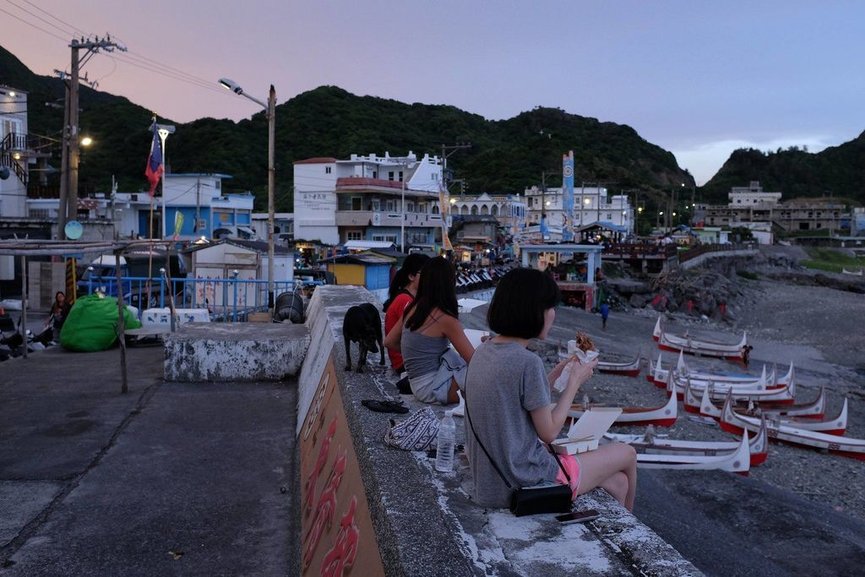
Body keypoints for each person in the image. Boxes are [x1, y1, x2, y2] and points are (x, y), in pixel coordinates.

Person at [464, 268, 637, 511]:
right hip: (525, 480)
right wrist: (574, 382)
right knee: (627, 453)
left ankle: (624, 523)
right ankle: (630, 537)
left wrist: (555, 375)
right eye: (550, 308)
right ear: (534, 311)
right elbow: (549, 433)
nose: (553, 315)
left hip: (489, 483)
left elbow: (513, 399)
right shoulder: (527, 362)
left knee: (618, 482)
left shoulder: (485, 350)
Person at [384, 256, 473, 405]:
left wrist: (417, 354)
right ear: (449, 283)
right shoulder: (445, 317)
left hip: (416, 384)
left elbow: (389, 342)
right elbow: (475, 360)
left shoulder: (412, 308)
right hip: (434, 388)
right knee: (487, 378)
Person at [383, 253, 431, 388]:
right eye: (425, 273)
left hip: (405, 361)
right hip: (404, 364)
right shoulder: (405, 301)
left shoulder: (410, 299)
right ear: (411, 276)